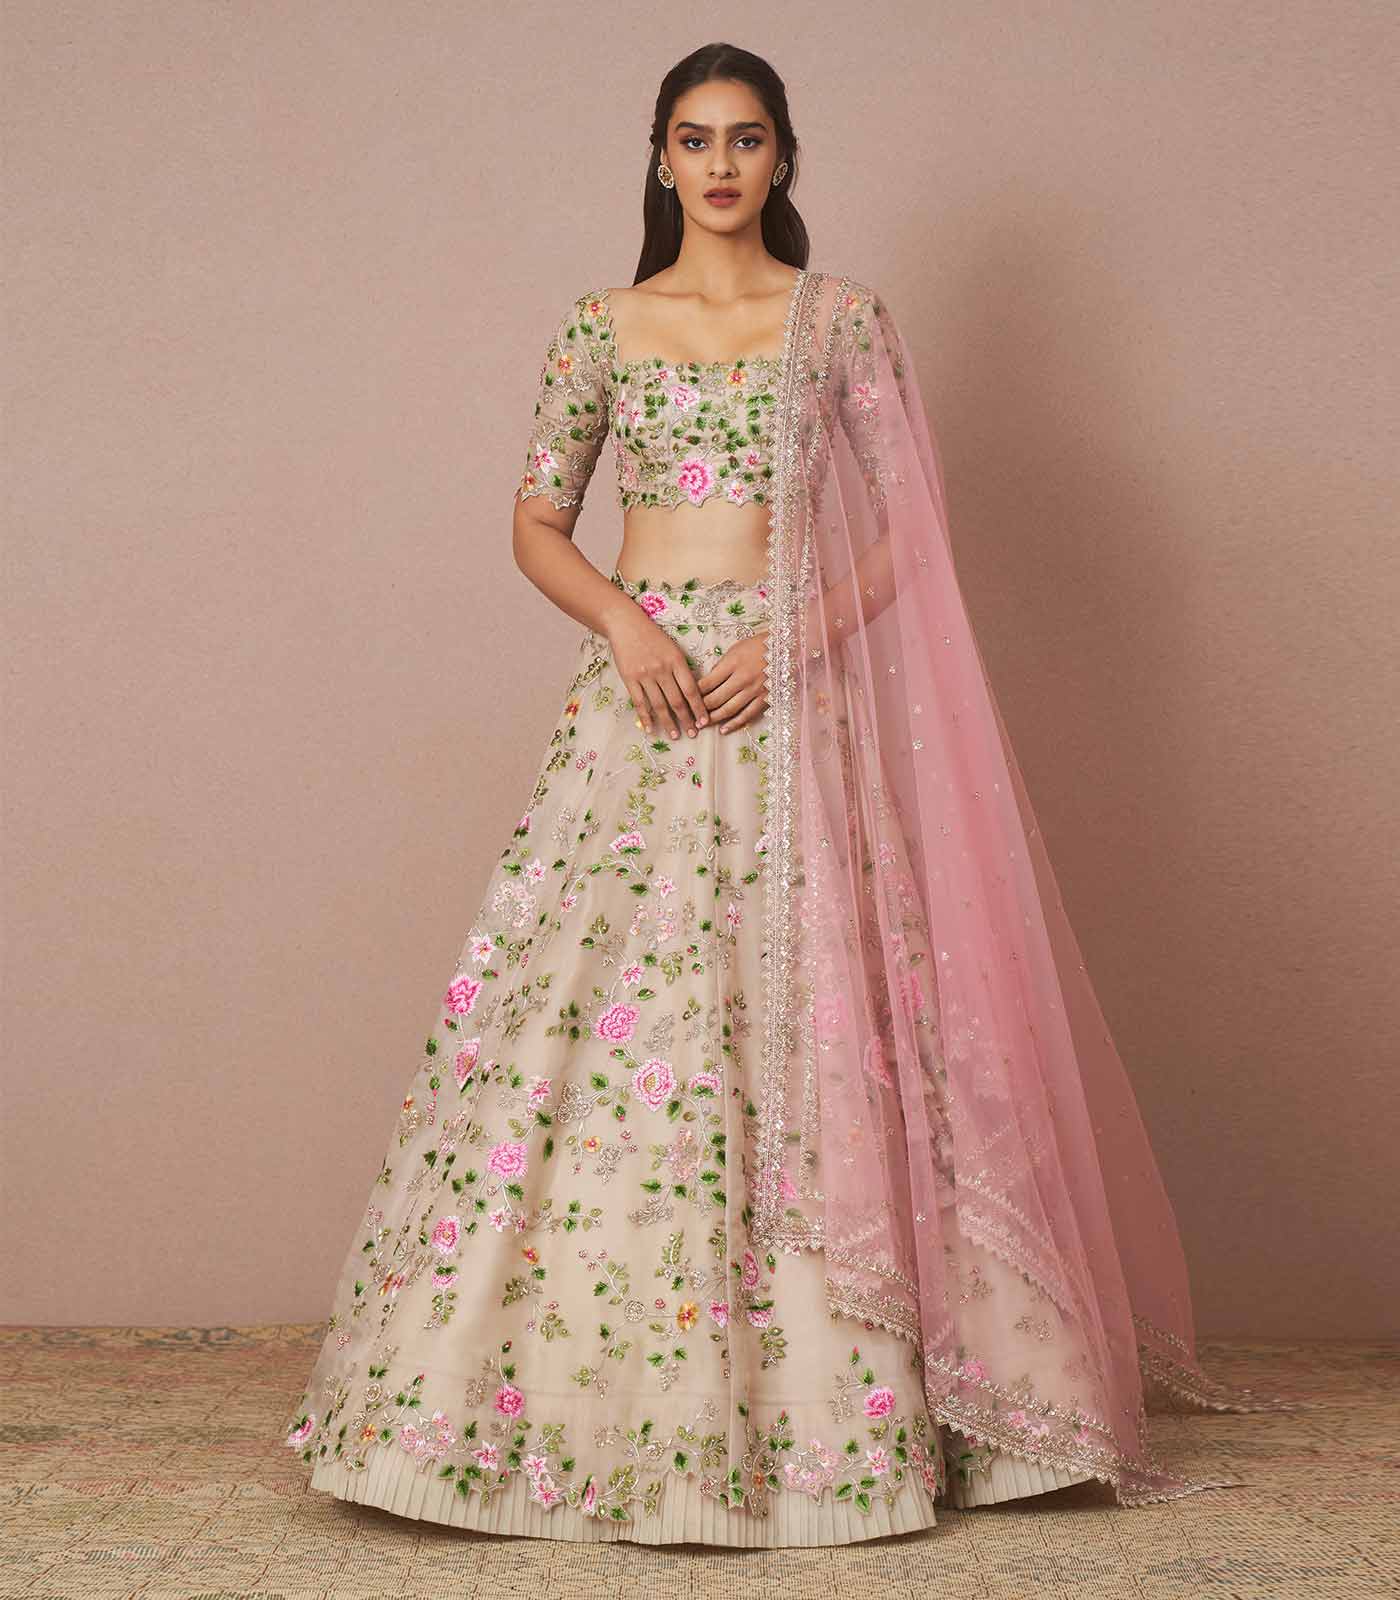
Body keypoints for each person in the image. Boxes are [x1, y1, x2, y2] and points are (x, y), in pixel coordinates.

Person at [284, 41, 1300, 1548]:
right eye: (694, 139)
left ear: (783, 157)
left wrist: (795, 636)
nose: (719, 164)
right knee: (594, 1017)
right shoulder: (603, 325)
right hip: (644, 703)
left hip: (786, 700)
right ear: (658, 155)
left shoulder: (842, 323)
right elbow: (536, 518)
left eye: (746, 138)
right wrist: (626, 623)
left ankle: (894, 1409)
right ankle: (553, 1421)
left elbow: (910, 528)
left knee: (826, 1005)